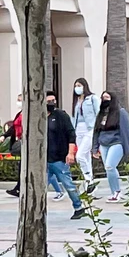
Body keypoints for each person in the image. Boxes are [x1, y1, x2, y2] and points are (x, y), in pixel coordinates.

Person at [45, 90, 85, 219]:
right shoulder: (39, 117)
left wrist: (70, 153)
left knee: (68, 184)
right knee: (39, 186)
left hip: (59, 158)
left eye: (53, 101)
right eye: (48, 101)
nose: (51, 103)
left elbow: (71, 134)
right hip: (44, 159)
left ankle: (78, 207)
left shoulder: (61, 116)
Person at [96, 88, 129, 202]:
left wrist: (128, 148)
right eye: (103, 98)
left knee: (110, 166)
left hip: (116, 142)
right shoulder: (101, 114)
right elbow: (96, 131)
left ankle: (117, 191)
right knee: (108, 169)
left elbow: (126, 131)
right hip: (103, 143)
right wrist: (94, 147)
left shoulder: (120, 112)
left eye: (107, 97)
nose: (104, 100)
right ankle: (113, 191)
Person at [71, 78, 100, 184]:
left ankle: (88, 179)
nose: (77, 88)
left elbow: (98, 113)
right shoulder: (76, 101)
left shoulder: (92, 98)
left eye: (79, 85)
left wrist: (98, 129)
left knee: (80, 156)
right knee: (86, 158)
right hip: (78, 129)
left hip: (90, 129)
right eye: (75, 86)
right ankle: (91, 185)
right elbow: (75, 117)